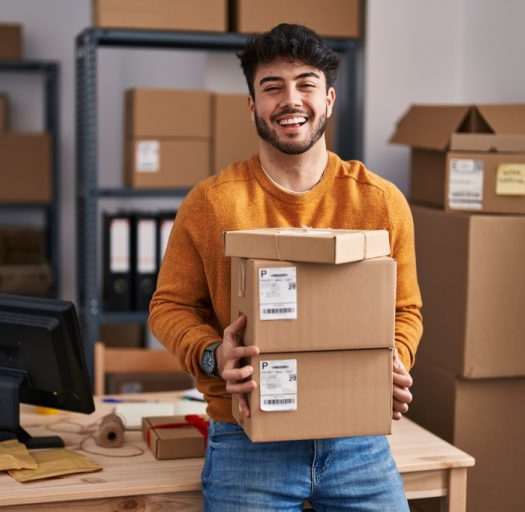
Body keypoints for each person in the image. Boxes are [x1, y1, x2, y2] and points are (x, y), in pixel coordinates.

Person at [149, 23, 422, 512]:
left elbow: (406, 310)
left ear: (330, 99)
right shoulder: (212, 204)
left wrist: (394, 359)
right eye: (271, 87)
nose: (290, 100)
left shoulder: (380, 202)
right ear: (252, 105)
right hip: (246, 440)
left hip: (356, 440)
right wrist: (213, 355)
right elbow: (168, 307)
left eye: (305, 84)